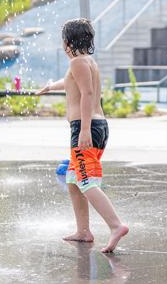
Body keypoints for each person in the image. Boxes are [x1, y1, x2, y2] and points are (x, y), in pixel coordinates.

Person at [38, 18, 128, 253]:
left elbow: (87, 94)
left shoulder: (77, 62)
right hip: (96, 125)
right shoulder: (85, 62)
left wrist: (85, 129)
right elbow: (72, 84)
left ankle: (116, 225)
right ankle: (83, 231)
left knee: (85, 181)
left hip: (86, 127)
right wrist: (50, 87)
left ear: (67, 42)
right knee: (73, 180)